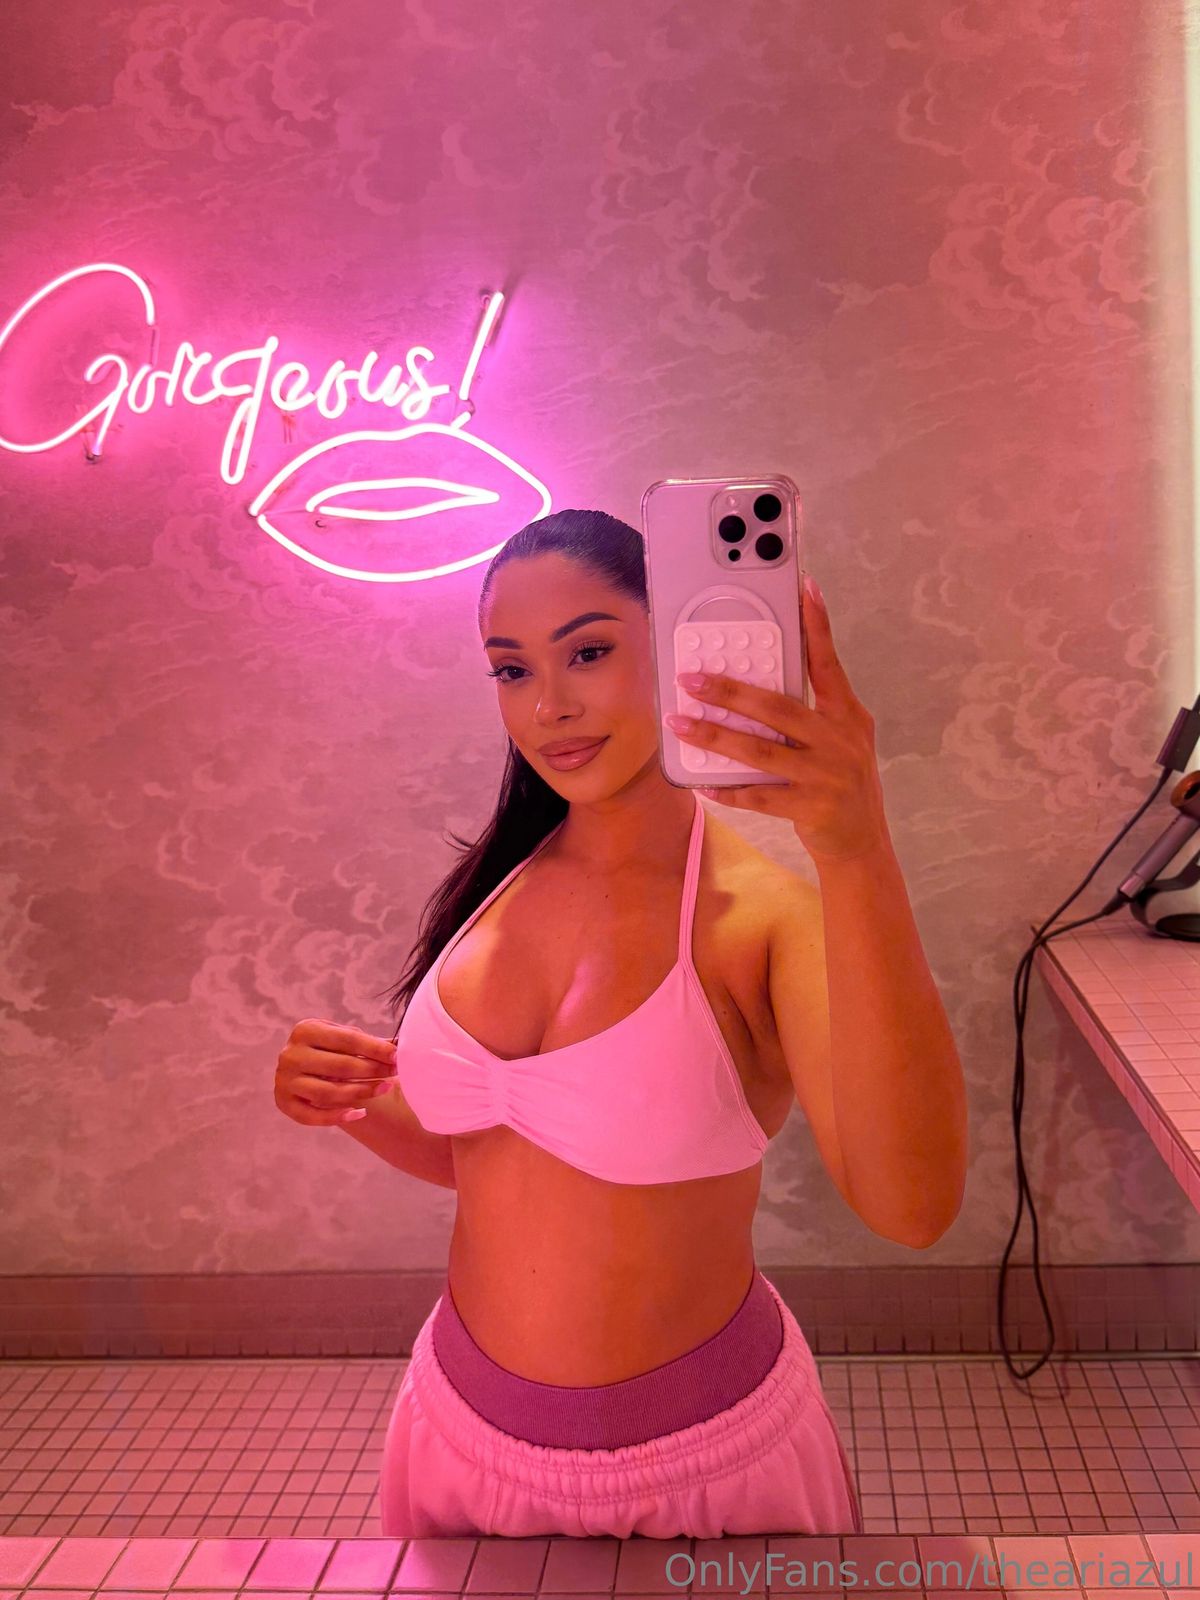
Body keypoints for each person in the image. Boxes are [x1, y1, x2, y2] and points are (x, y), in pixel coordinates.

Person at [275, 507, 963, 1538]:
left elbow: (914, 1208)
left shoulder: (761, 917)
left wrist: (857, 849)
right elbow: (492, 1160)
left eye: (588, 652)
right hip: (455, 1429)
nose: (548, 704)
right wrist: (348, 1102)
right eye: (512, 669)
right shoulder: (500, 884)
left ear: (678, 641)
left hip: (697, 1466)